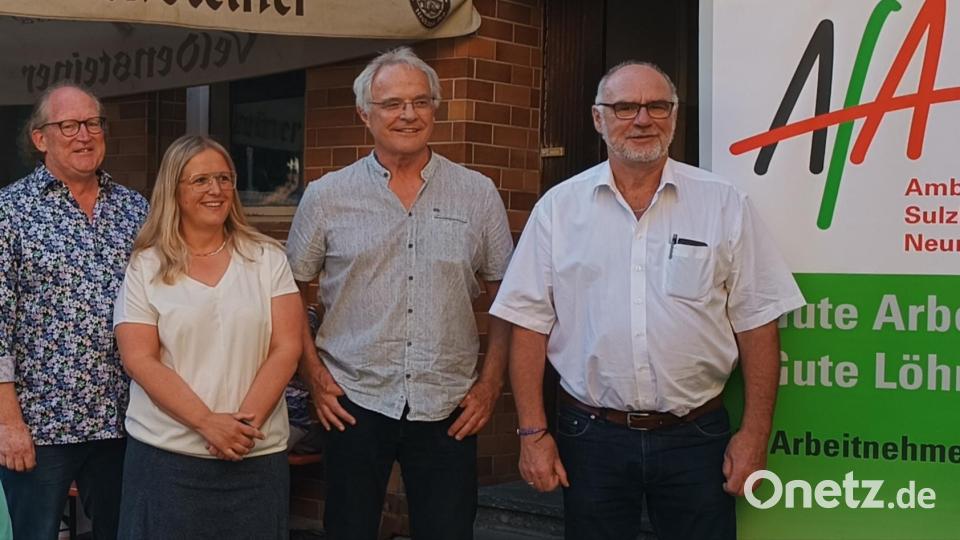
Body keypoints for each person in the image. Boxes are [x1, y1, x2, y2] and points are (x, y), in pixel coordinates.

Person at [489, 61, 806, 540]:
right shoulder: (559, 208)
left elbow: (758, 323)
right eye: (624, 107)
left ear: (674, 116)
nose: (642, 119)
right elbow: (529, 324)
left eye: (657, 106)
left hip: (696, 437)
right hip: (591, 435)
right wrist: (532, 433)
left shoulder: (723, 203)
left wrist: (754, 434)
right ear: (598, 119)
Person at [286, 46, 514, 540]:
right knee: (348, 529)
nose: (408, 114)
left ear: (435, 108)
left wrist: (491, 383)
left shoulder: (478, 193)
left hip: (448, 402)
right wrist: (314, 378)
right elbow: (288, 294)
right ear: (364, 114)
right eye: (392, 103)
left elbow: (508, 297)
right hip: (352, 398)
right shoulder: (327, 196)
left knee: (450, 531)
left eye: (420, 101)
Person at [113, 134, 303, 539]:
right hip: (168, 460)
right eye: (200, 180)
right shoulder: (145, 267)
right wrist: (207, 424)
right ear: (174, 190)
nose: (215, 190)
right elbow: (139, 358)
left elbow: (287, 346)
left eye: (224, 178)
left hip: (255, 456)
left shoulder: (267, 258)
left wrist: (241, 428)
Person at [0, 83, 148, 540]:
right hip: (41, 424)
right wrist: (7, 422)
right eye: (68, 125)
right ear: (40, 137)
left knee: (123, 532)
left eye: (93, 123)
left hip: (126, 417)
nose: (84, 135)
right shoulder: (9, 211)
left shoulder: (135, 209)